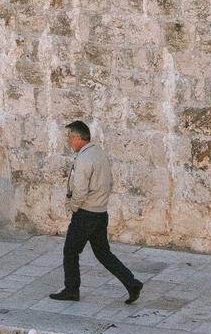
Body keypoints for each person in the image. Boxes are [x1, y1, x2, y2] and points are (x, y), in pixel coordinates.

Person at [52, 119, 143, 306]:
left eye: (70, 137)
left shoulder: (84, 159)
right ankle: (131, 283)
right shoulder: (99, 153)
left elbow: (80, 191)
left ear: (78, 138)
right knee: (103, 253)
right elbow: (110, 182)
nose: (69, 141)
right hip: (100, 213)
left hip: (86, 214)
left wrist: (72, 207)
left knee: (70, 251)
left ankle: (71, 290)